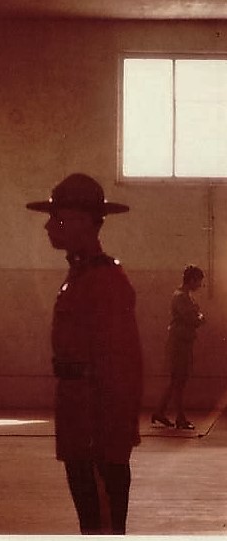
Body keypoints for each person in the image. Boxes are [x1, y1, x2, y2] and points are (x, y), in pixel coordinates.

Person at [26, 173, 143, 535]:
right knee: (90, 523)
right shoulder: (80, 274)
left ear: (83, 222)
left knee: (103, 527)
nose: (48, 226)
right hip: (80, 421)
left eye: (57, 218)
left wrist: (111, 440)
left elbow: (122, 366)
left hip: (96, 428)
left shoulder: (104, 279)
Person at [152, 264, 205, 430]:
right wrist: (199, 317)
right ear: (192, 280)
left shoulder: (184, 296)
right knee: (179, 380)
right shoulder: (181, 297)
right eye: (198, 281)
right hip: (180, 344)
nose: (200, 285)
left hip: (182, 342)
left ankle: (160, 411)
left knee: (176, 380)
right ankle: (179, 418)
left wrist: (198, 317)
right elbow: (193, 318)